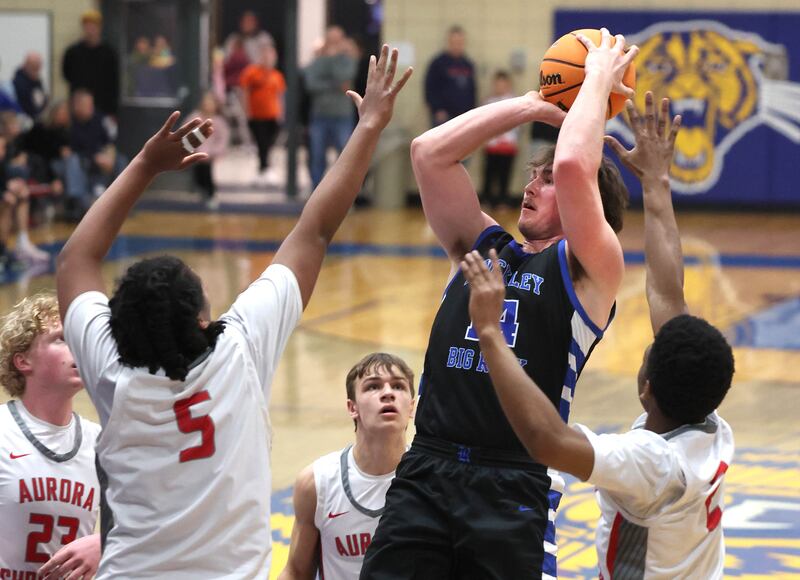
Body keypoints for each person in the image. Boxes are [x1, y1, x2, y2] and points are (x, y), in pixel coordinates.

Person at [56, 45, 412, 578]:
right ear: (202, 320)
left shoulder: (109, 369)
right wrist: (369, 127)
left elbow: (74, 259)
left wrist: (145, 165)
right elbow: (314, 229)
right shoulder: (238, 348)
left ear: (115, 326)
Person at [361, 29, 636, 578]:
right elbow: (429, 154)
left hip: (512, 480)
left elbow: (574, 169)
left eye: (544, 181)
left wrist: (597, 83)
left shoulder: (589, 269)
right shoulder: (485, 244)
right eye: (531, 177)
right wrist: (531, 105)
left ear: (590, 210)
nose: (532, 187)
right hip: (428, 467)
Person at [462, 91, 735, 579]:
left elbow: (545, 440)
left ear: (646, 386)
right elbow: (668, 295)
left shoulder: (649, 464)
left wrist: (489, 331)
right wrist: (656, 182)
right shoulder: (709, 424)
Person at [279, 353, 416, 580]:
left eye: (398, 386)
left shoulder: (432, 477)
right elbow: (295, 572)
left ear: (411, 407)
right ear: (352, 407)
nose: (388, 393)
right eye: (373, 386)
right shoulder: (316, 483)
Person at [0, 292, 102, 579]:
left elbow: (151, 520)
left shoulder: (101, 442)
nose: (78, 349)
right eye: (61, 339)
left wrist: (103, 543)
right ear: (23, 361)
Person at [305, 26, 358, 188]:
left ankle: (341, 192)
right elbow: (311, 83)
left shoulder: (348, 60)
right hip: (320, 115)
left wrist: (334, 59)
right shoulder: (318, 60)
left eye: (337, 40)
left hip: (342, 115)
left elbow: (345, 76)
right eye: (331, 40)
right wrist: (335, 86)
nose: (334, 44)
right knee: (317, 156)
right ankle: (315, 191)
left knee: (344, 156)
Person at [240, 42, 285, 185]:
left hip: (272, 115)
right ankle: (263, 169)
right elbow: (244, 92)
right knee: (261, 143)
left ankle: (264, 169)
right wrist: (247, 112)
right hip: (256, 115)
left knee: (268, 144)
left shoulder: (277, 76)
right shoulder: (251, 72)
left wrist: (281, 113)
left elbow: (280, 96)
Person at [62, 9, 119, 117]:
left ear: (99, 28)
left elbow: (114, 83)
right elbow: (66, 75)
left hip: (102, 108)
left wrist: (112, 112)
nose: (90, 29)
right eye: (87, 25)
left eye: (93, 25)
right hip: (78, 109)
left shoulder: (109, 53)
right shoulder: (72, 52)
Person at [481, 70, 519, 208]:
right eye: (498, 84)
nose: (500, 87)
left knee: (505, 175)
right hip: (492, 145)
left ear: (508, 85)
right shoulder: (489, 102)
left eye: (503, 84)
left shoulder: (515, 101)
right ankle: (486, 200)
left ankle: (503, 200)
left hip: (508, 145)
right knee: (489, 174)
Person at [424, 26, 476, 127]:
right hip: (443, 116)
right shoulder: (438, 63)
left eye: (459, 42)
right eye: (454, 42)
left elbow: (472, 90)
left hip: (464, 116)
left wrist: (471, 112)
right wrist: (437, 109)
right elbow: (429, 88)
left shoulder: (467, 64)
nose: (457, 45)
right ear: (449, 42)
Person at [188, 92, 230, 208]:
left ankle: (211, 195)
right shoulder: (195, 118)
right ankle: (201, 192)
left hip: (210, 154)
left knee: (208, 173)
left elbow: (223, 138)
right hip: (196, 153)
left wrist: (215, 151)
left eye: (211, 103)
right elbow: (187, 132)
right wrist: (193, 149)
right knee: (199, 174)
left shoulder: (219, 121)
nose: (208, 105)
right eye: (206, 103)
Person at [13, 52, 48, 121]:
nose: (37, 70)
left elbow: (41, 99)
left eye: (38, 66)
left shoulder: (37, 81)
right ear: (26, 65)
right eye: (34, 66)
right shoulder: (19, 83)